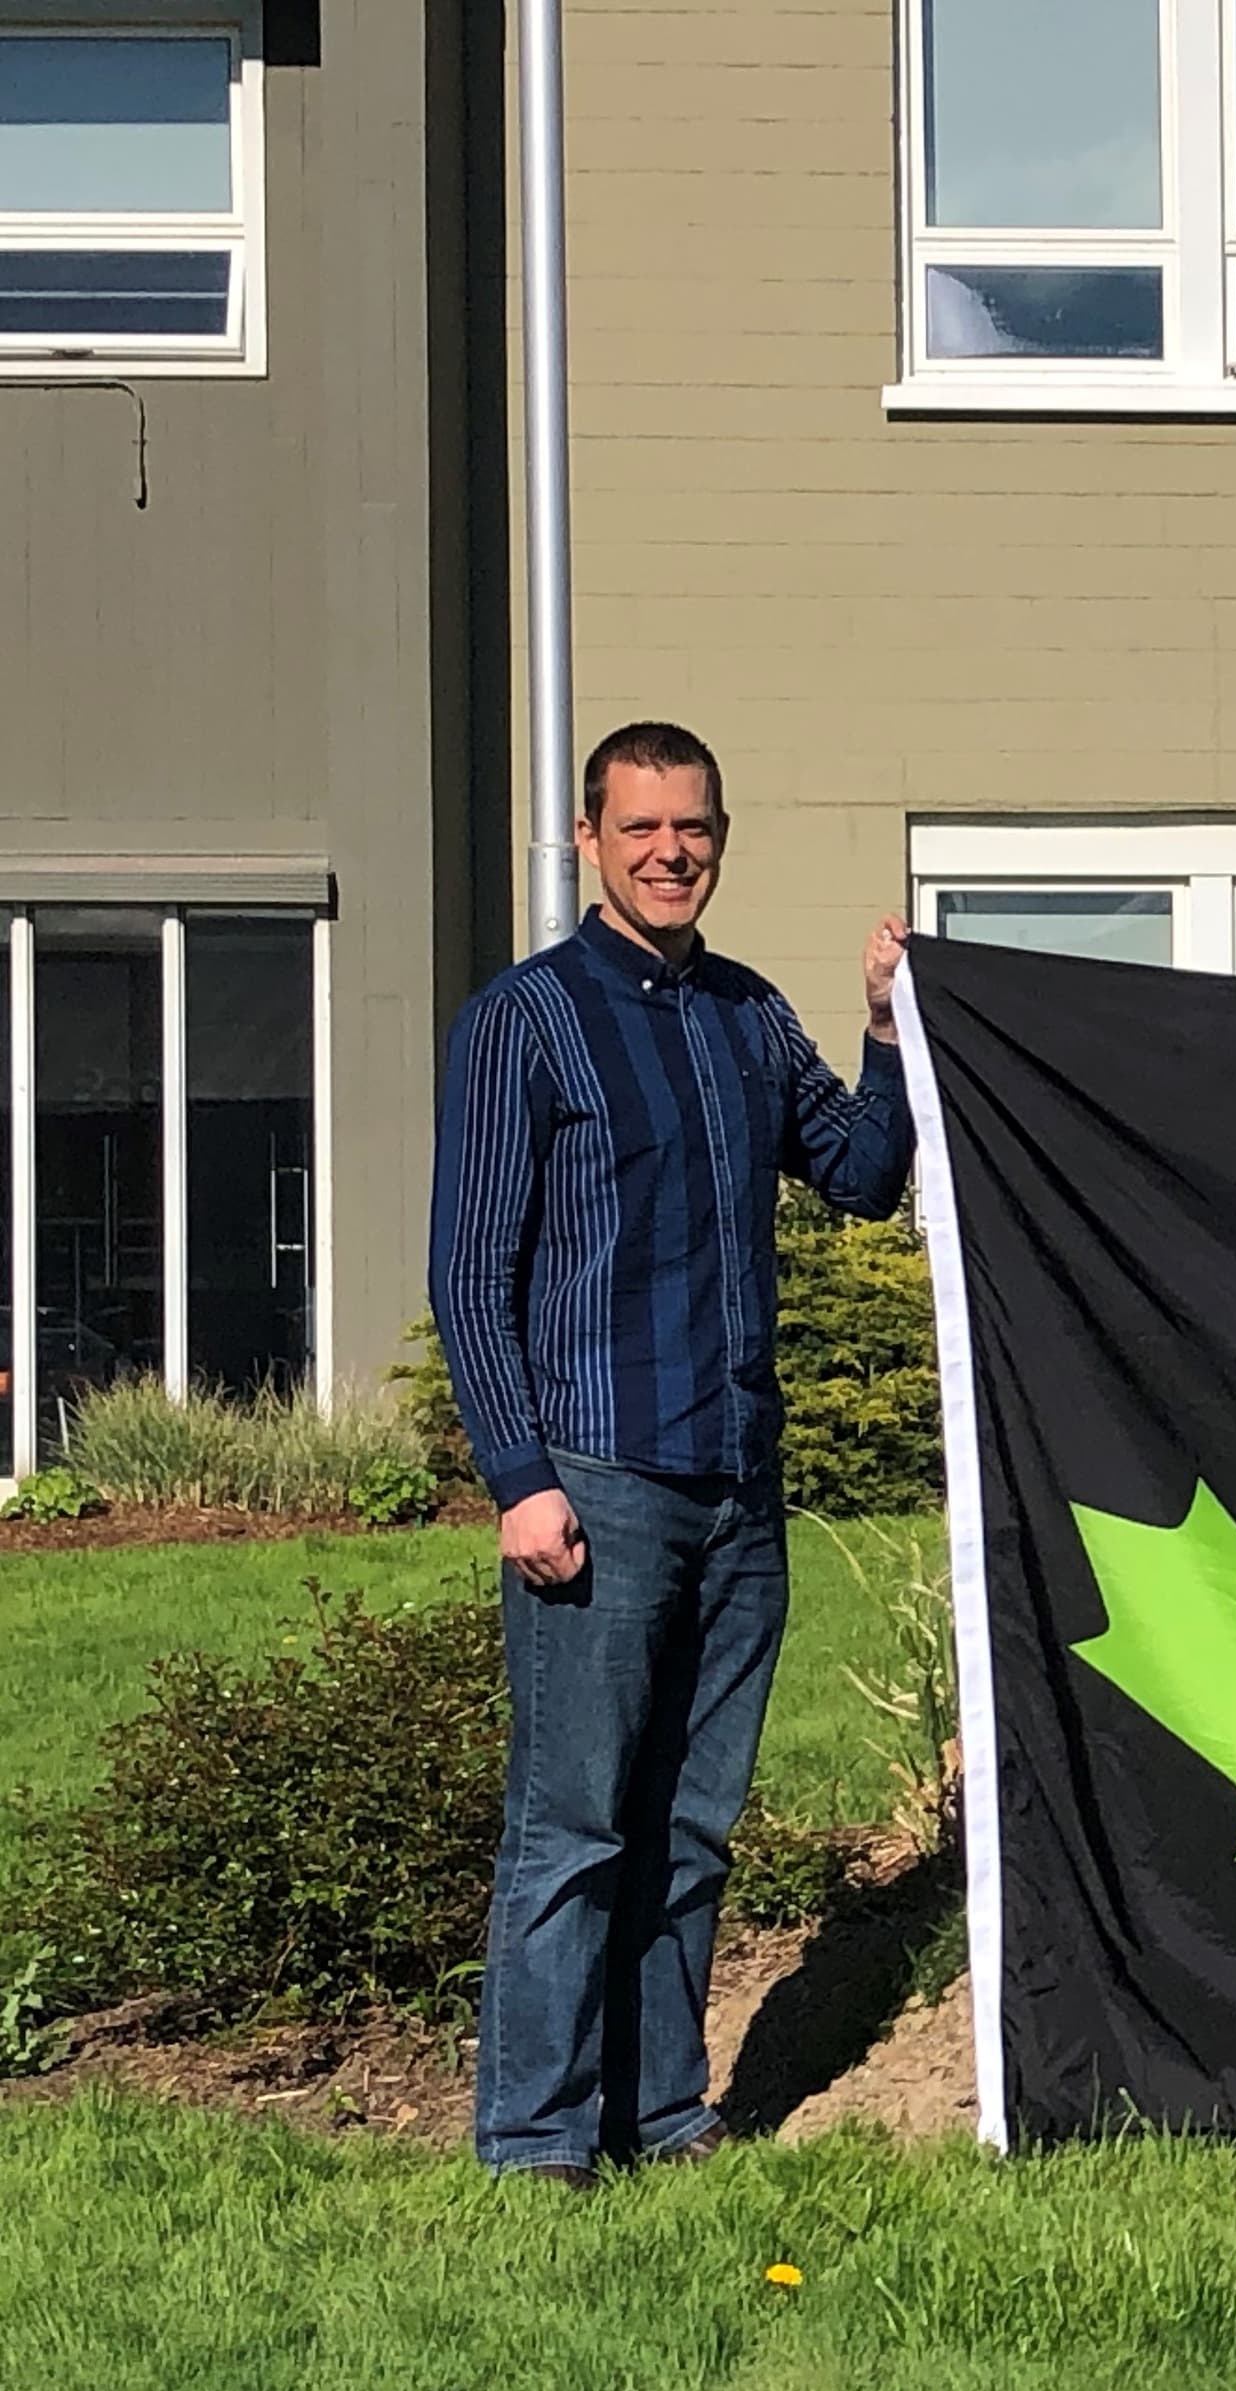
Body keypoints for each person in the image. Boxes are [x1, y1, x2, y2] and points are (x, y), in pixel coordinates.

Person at [431, 720, 916, 2183]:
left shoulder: (750, 1020)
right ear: (591, 841)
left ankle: (660, 2113)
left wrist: (887, 1028)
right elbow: (470, 1271)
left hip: (735, 1487)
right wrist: (518, 1476)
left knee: (691, 1828)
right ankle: (534, 2138)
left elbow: (863, 1174)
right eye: (638, 828)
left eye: (691, 827)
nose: (668, 851)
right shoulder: (525, 1021)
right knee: (574, 1827)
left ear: (719, 836)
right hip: (597, 1479)